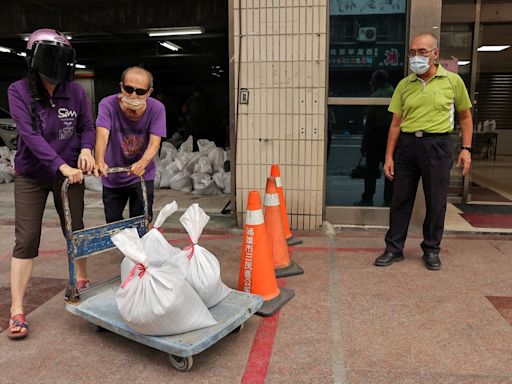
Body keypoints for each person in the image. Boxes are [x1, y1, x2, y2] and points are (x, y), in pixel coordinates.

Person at [7, 29, 95, 339]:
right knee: (27, 238)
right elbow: (30, 137)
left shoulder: (76, 92)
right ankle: (17, 309)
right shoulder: (17, 91)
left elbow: (86, 126)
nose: (54, 80)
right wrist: (61, 165)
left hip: (69, 170)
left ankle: (81, 279)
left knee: (77, 228)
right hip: (32, 174)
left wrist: (86, 149)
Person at [374, 33, 473, 271]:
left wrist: (466, 149)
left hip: (438, 146)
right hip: (407, 147)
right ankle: (394, 248)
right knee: (400, 200)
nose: (416, 57)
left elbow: (465, 116)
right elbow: (396, 123)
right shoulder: (404, 85)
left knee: (436, 202)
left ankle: (431, 249)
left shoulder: (452, 81)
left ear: (435, 54)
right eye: (412, 52)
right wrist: (389, 156)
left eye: (422, 52)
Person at [94, 66, 166, 224]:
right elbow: (102, 135)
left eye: (140, 92)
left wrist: (142, 163)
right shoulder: (107, 105)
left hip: (141, 173)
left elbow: (155, 143)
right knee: (113, 224)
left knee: (142, 222)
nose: (133, 95)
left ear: (149, 92)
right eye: (128, 89)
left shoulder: (157, 109)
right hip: (113, 174)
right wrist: (99, 159)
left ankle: (141, 248)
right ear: (121, 87)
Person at [354, 70, 394, 206]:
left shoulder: (376, 95)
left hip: (376, 135)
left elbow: (369, 123)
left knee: (371, 169)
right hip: (391, 135)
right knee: (390, 169)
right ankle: (389, 199)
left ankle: (368, 197)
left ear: (377, 81)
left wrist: (364, 143)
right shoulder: (394, 92)